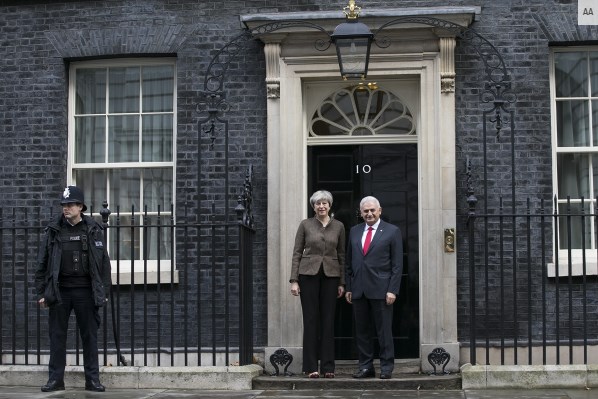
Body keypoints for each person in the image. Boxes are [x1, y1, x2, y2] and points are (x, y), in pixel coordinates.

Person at [34, 186, 112, 392]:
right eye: (63, 205)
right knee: (57, 336)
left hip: (86, 291)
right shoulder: (54, 230)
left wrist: (103, 292)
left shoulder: (93, 229)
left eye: (70, 205)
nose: (65, 208)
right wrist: (41, 292)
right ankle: (55, 380)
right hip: (60, 291)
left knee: (90, 336)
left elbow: (104, 264)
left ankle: (92, 380)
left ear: (80, 207)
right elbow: (41, 263)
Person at [345, 196, 403, 380]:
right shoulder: (354, 231)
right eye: (365, 211)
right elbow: (348, 262)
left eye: (372, 210)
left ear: (380, 211)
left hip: (382, 289)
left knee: (384, 331)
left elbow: (397, 264)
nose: (369, 214)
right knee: (362, 331)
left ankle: (386, 367)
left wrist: (393, 289)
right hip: (358, 289)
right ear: (361, 213)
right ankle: (365, 367)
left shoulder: (392, 231)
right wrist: (349, 287)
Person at [290, 190, 346, 379]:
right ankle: (311, 367)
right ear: (313, 206)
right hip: (308, 276)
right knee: (311, 320)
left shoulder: (339, 226)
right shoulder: (305, 225)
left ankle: (328, 367)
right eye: (317, 203)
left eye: (324, 203)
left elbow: (342, 255)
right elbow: (297, 252)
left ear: (330, 205)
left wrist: (341, 282)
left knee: (328, 321)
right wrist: (294, 280)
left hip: (331, 276)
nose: (321, 206)